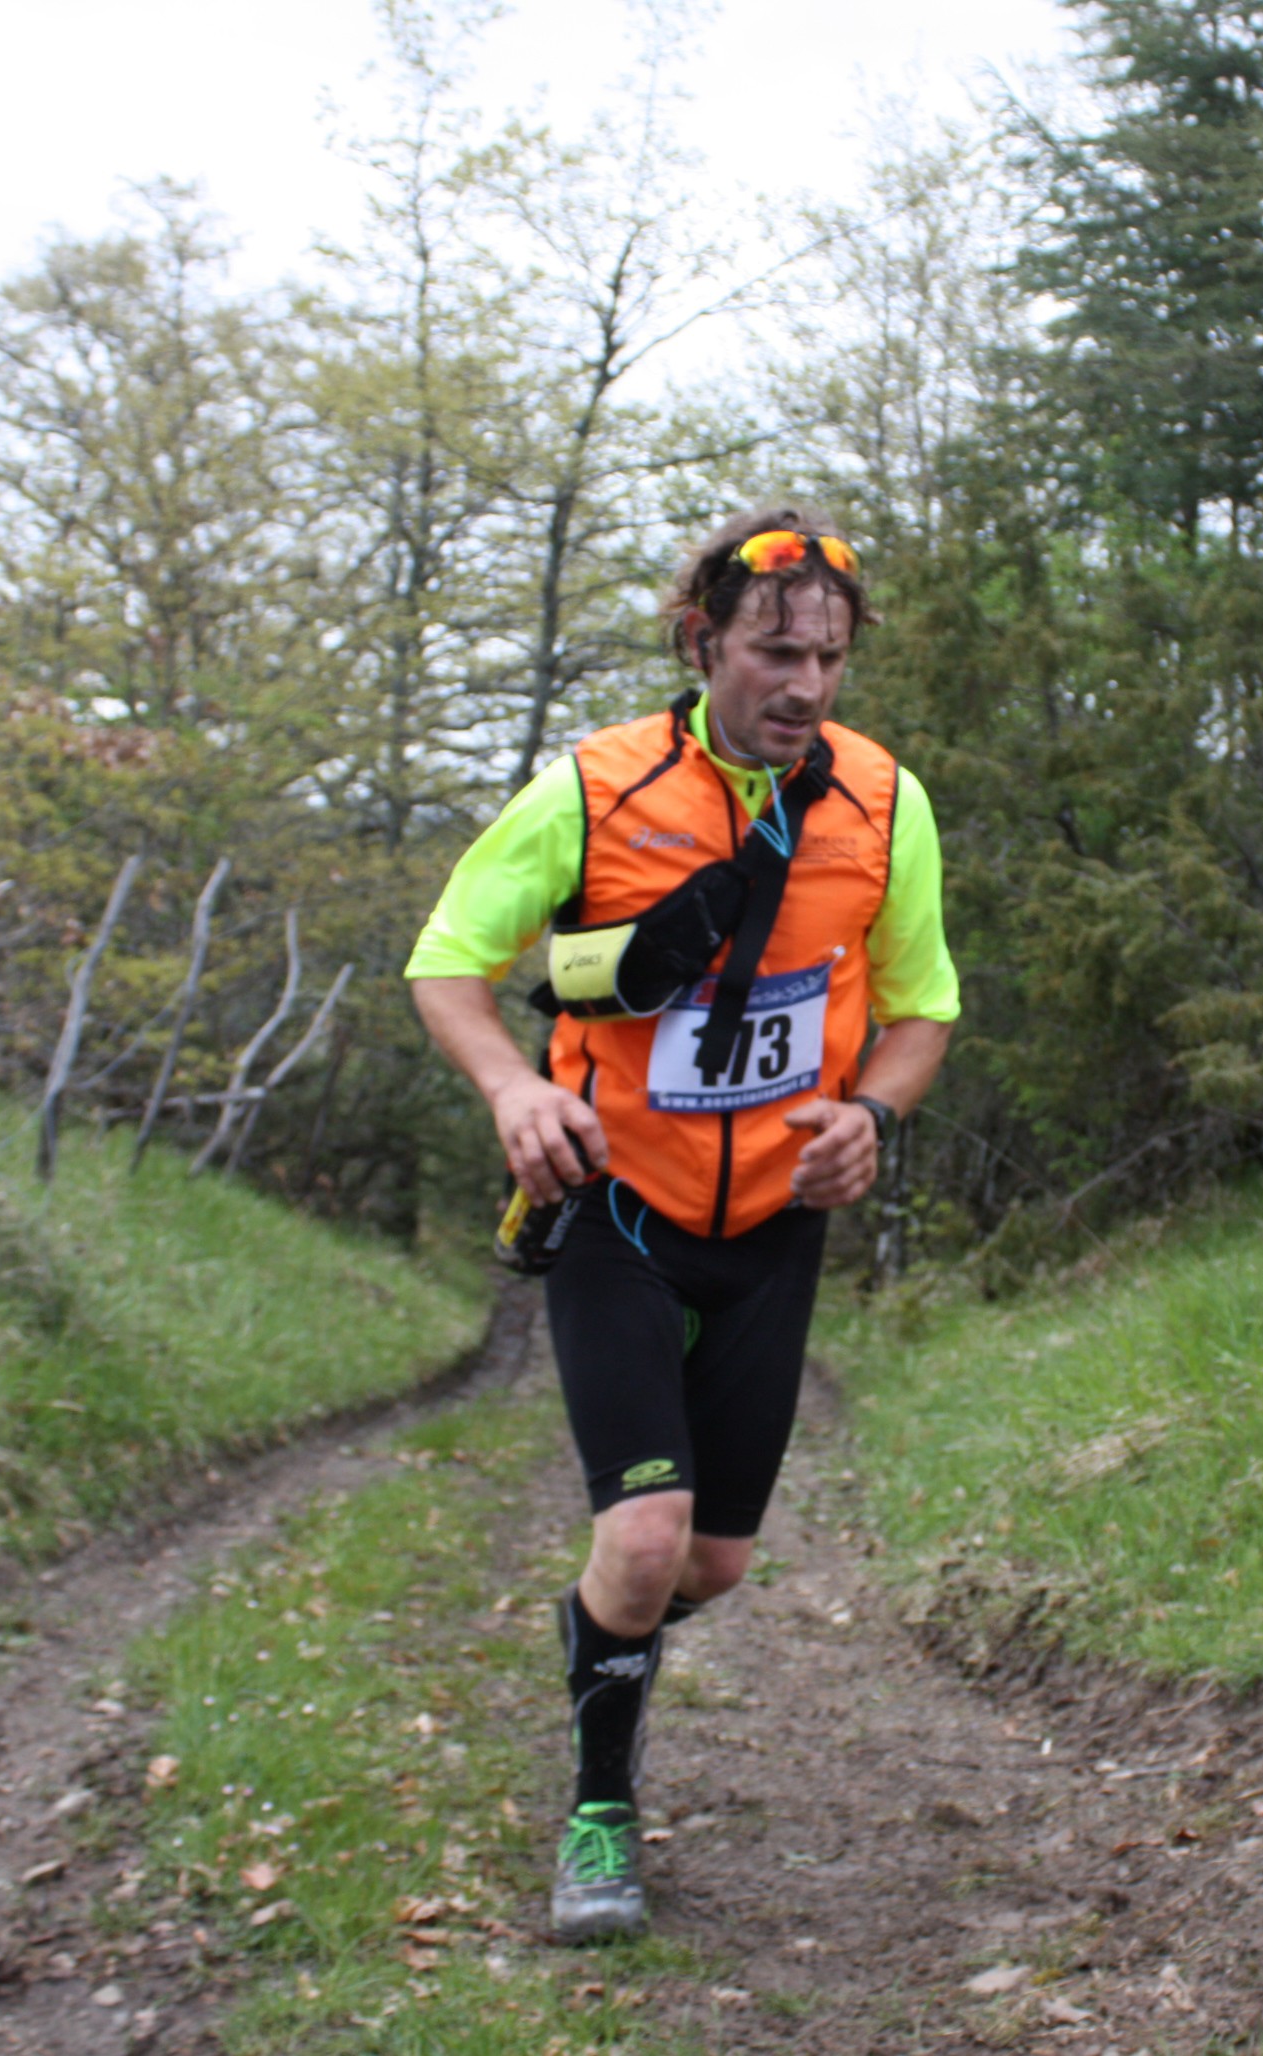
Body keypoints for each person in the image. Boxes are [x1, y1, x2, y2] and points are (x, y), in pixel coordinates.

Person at [405, 505, 958, 1944]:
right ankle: (600, 1811)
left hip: (776, 1227)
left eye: (829, 659)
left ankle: (606, 1646)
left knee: (707, 1564)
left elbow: (922, 1010)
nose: (805, 686)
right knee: (646, 1538)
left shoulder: (885, 805)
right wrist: (511, 1090)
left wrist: (874, 1120)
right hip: (617, 1209)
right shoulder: (592, 790)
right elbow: (451, 964)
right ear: (701, 639)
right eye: (777, 652)